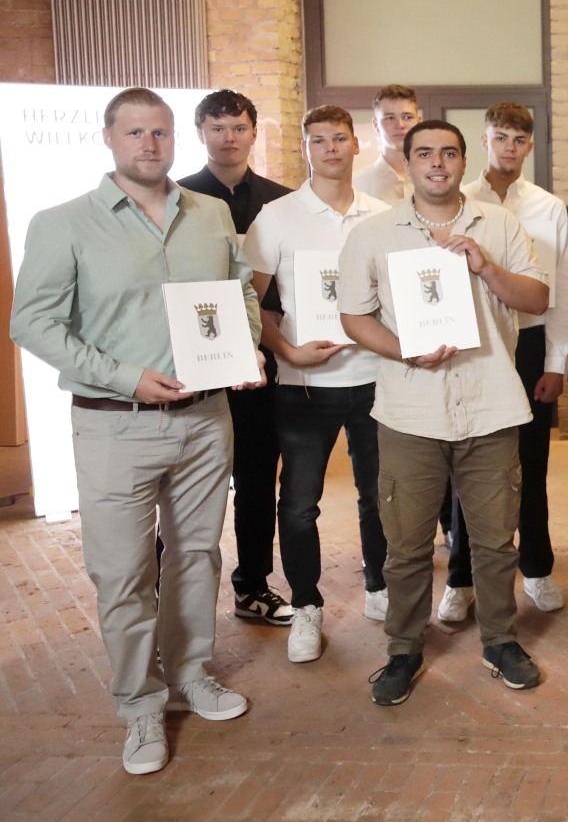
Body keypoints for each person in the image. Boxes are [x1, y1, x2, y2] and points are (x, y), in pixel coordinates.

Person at [11, 87, 262, 774]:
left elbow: (238, 289)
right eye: (135, 133)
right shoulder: (63, 222)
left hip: (207, 419)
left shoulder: (210, 214)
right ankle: (140, 707)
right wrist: (126, 376)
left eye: (160, 132)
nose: (150, 144)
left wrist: (247, 345)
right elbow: (31, 323)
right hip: (114, 425)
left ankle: (191, 674)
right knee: (123, 573)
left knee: (196, 557)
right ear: (109, 139)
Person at [339, 119, 549, 705]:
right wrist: (405, 349)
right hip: (410, 409)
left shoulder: (499, 224)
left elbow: (537, 299)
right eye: (425, 153)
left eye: (449, 153)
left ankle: (500, 640)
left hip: (489, 403)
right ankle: (403, 648)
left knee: (494, 538)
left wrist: (485, 266)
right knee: (404, 543)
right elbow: (354, 318)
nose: (438, 163)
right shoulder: (373, 234)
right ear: (406, 163)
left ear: (464, 161)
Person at [243, 105, 390, 663]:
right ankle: (307, 605)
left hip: (375, 380)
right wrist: (285, 351)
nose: (330, 148)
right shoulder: (277, 217)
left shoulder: (382, 214)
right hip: (303, 385)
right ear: (305, 148)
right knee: (299, 505)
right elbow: (248, 301)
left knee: (379, 496)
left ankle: (378, 587)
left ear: (358, 146)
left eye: (339, 138)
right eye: (318, 140)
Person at [439, 102, 568, 620]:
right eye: (501, 138)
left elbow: (560, 289)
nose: (509, 148)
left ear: (530, 145)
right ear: (485, 139)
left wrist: (556, 362)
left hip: (532, 344)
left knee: (531, 466)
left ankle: (537, 569)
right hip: (474, 343)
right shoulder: (457, 199)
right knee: (467, 466)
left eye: (519, 140)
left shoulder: (547, 206)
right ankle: (462, 579)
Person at [177, 89, 294, 626]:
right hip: (193, 365)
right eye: (217, 127)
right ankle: (171, 594)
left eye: (239, 127)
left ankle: (252, 585)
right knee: (184, 484)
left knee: (254, 478)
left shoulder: (281, 201)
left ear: (254, 132)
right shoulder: (177, 197)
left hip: (260, 359)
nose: (229, 137)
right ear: (200, 130)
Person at [353, 84, 422, 204]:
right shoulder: (357, 185)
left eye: (407, 117)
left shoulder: (439, 179)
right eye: (390, 118)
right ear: (376, 125)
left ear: (419, 122)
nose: (400, 125)